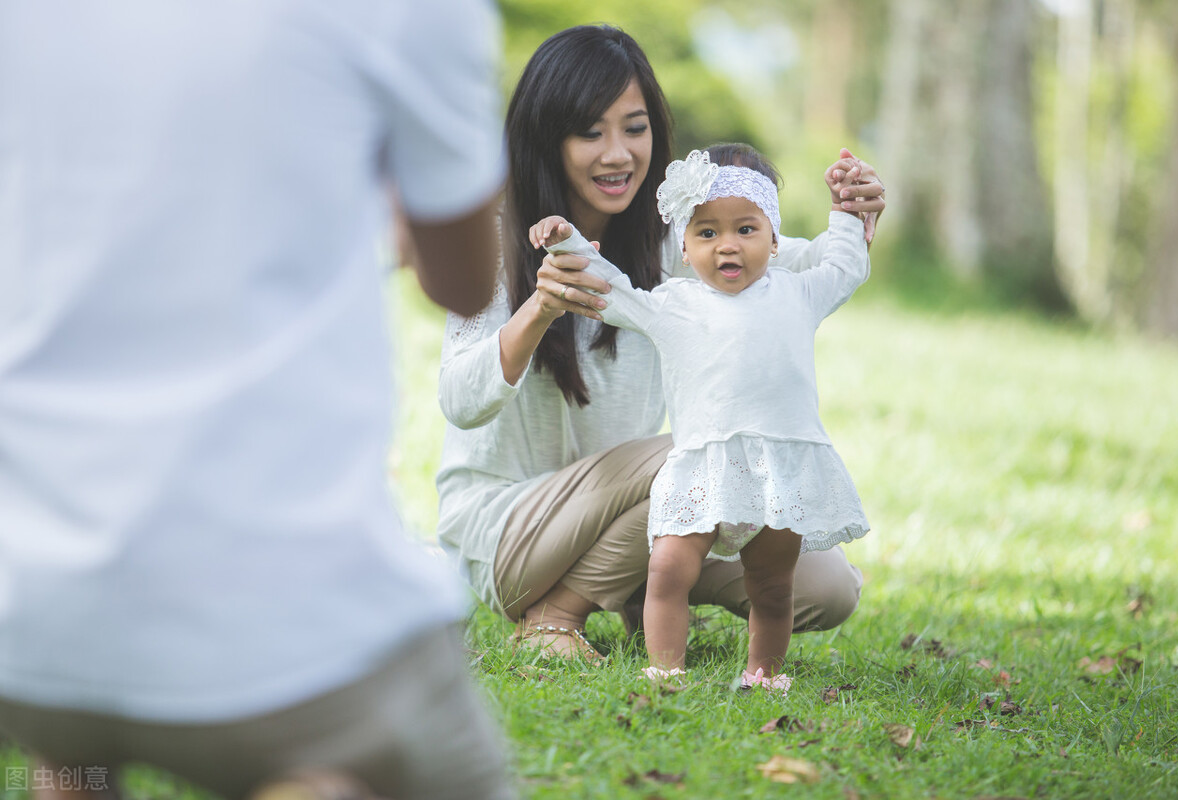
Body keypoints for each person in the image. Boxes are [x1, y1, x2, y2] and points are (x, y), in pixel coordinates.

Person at [0, 3, 512, 800]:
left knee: (76, 745)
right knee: (446, 778)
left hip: (29, 611)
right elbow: (463, 282)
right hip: (284, 632)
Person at [436, 24, 886, 659]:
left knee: (823, 586)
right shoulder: (497, 236)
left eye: (635, 127)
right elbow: (458, 399)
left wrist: (853, 220)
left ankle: (629, 590)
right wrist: (539, 307)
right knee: (700, 451)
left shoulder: (678, 242)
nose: (618, 154)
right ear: (546, 137)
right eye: (590, 132)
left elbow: (792, 261)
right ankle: (553, 617)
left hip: (641, 508)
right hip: (511, 531)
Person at [530, 145, 871, 688]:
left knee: (772, 583)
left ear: (775, 240)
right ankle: (665, 671)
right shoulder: (673, 305)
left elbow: (848, 265)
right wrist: (566, 240)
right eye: (707, 233)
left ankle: (763, 675)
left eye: (746, 229)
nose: (727, 246)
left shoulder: (799, 292)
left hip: (781, 464)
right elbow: (611, 289)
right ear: (684, 249)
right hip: (703, 468)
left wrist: (846, 210)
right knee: (668, 568)